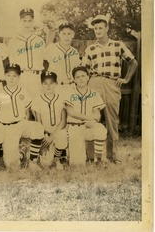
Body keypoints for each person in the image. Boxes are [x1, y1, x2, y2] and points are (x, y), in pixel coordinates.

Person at [82, 15, 138, 164]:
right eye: (95, 28)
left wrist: (125, 79)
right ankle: (90, 156)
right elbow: (83, 71)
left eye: (101, 27)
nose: (98, 30)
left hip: (111, 84)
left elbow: (133, 63)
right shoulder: (90, 49)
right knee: (91, 118)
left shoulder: (117, 45)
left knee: (112, 120)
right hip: (93, 83)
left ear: (107, 28)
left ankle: (113, 156)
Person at [0, 63, 44, 171]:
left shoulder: (24, 91)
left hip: (21, 123)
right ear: (5, 76)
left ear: (19, 77)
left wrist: (24, 127)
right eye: (9, 75)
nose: (11, 79)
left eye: (14, 76)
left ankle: (33, 161)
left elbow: (28, 113)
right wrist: (1, 130)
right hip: (7, 127)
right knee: (12, 165)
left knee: (38, 127)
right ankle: (21, 153)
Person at [64, 66, 107, 165]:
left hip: (88, 126)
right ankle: (82, 156)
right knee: (77, 164)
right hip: (74, 127)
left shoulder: (94, 93)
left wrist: (94, 121)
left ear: (88, 77)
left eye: (83, 76)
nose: (81, 79)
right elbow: (71, 112)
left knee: (100, 129)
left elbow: (97, 114)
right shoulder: (69, 92)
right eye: (77, 77)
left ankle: (98, 160)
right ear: (74, 80)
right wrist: (90, 118)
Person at [31, 71, 68, 169]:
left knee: (63, 134)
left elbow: (63, 121)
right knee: (46, 163)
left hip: (57, 131)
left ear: (56, 84)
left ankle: (57, 159)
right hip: (45, 133)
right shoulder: (37, 99)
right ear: (41, 84)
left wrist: (52, 136)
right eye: (45, 83)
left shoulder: (61, 98)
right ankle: (43, 155)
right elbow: (38, 122)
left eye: (51, 83)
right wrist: (45, 137)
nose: (48, 86)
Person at [8, 8, 46, 97]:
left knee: (36, 105)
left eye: (30, 21)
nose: (27, 24)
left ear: (33, 21)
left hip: (36, 76)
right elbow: (11, 62)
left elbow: (44, 60)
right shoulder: (13, 41)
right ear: (20, 21)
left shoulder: (39, 41)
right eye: (24, 21)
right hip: (21, 76)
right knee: (21, 105)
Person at [43, 22, 81, 90]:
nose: (66, 37)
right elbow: (41, 63)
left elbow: (77, 71)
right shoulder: (51, 48)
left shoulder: (75, 52)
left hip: (72, 86)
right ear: (59, 34)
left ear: (73, 35)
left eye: (69, 33)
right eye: (64, 33)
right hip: (57, 86)